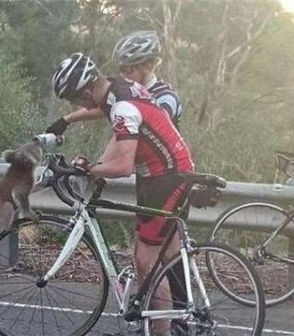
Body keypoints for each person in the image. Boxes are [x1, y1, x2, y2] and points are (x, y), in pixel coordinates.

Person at [51, 53, 194, 335]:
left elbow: (123, 165)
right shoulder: (117, 88)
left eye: (73, 99)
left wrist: (90, 168)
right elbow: (101, 111)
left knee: (145, 259)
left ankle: (162, 330)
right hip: (162, 172)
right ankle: (181, 320)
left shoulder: (122, 107)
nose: (75, 104)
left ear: (85, 91)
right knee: (168, 253)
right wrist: (67, 120)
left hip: (165, 177)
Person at [45, 31, 183, 136]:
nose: (122, 75)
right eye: (120, 70)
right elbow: (102, 107)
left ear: (147, 66)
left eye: (127, 69)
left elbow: (154, 127)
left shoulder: (165, 97)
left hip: (167, 172)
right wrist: (66, 120)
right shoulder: (130, 91)